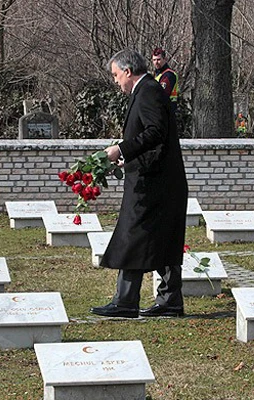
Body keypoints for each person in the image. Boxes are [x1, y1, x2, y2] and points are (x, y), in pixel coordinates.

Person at [90, 49, 188, 319]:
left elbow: (156, 132)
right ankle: (169, 301)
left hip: (155, 184)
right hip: (156, 179)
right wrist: (130, 160)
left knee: (132, 236)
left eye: (115, 75)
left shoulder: (148, 91)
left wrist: (121, 149)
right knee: (162, 239)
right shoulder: (148, 90)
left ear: (128, 71)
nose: (115, 81)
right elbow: (154, 138)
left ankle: (126, 301)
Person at [152, 47, 179, 114]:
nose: (156, 62)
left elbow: (161, 95)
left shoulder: (169, 75)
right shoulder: (156, 74)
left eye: (158, 59)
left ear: (165, 59)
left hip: (167, 112)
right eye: (154, 60)